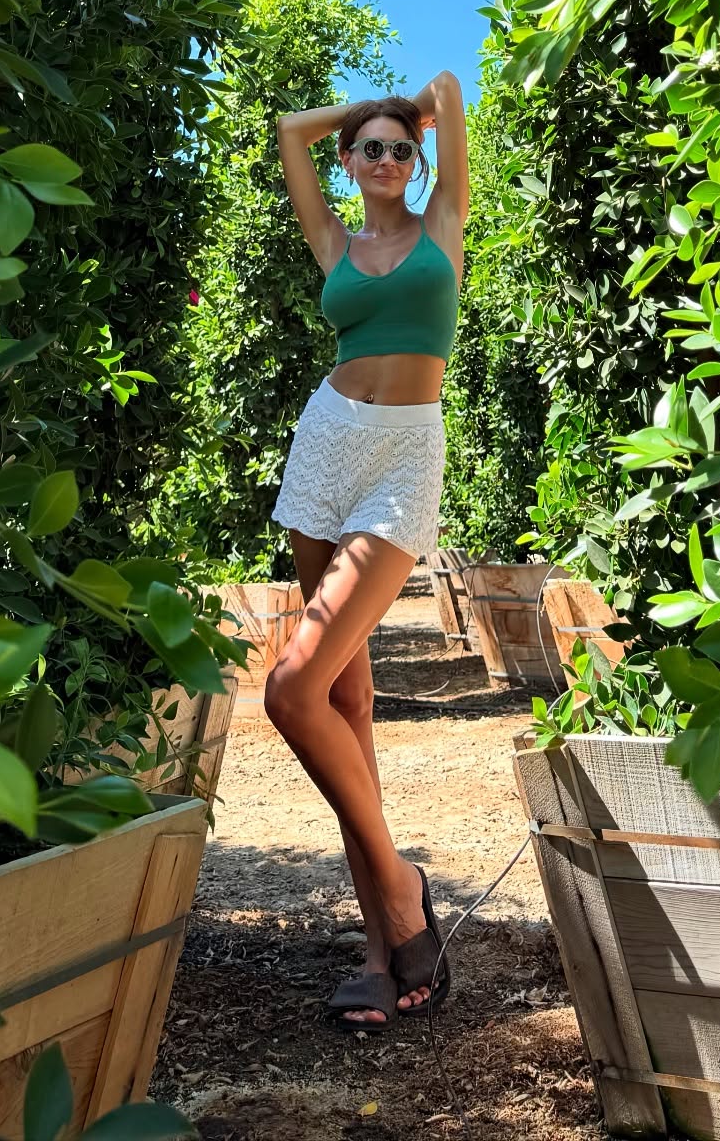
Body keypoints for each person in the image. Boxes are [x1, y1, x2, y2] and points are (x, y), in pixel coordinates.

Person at [266, 73, 468, 1031]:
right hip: (328, 445)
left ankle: (399, 890)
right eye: (370, 148)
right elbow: (286, 129)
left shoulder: (442, 226)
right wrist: (360, 115)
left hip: (403, 459)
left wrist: (419, 109)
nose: (387, 158)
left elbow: (451, 91)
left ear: (417, 162)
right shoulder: (335, 243)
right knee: (344, 704)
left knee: (291, 689)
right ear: (348, 162)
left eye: (400, 148)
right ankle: (383, 952)